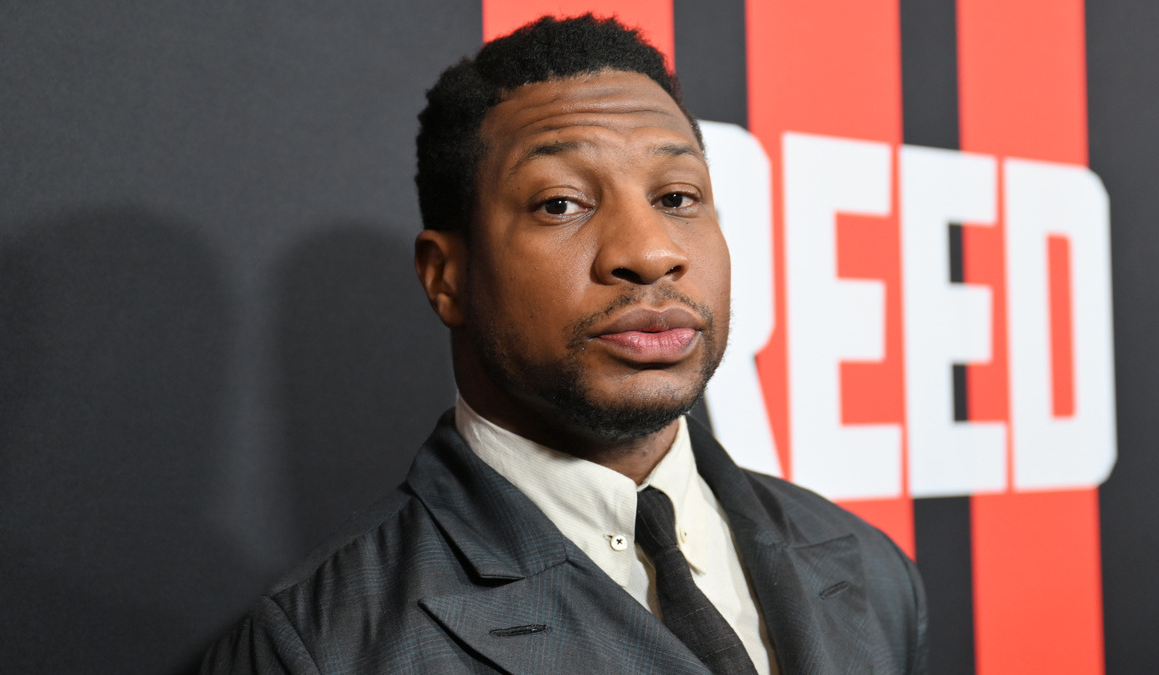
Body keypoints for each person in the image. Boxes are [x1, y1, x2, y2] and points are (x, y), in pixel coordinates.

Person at [203, 14, 927, 674]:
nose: (648, 252)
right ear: (446, 278)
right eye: (561, 203)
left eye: (677, 197)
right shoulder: (320, 648)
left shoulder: (871, 569)